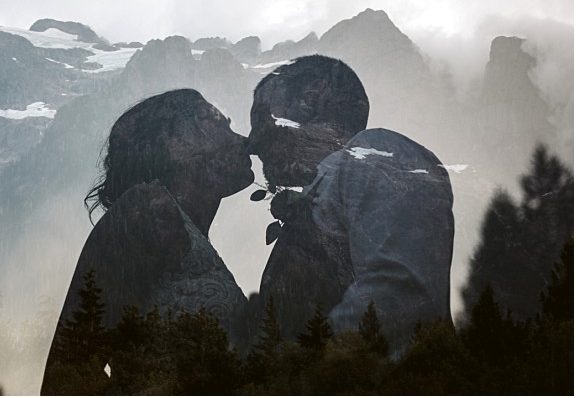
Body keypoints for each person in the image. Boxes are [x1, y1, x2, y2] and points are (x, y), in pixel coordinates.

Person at [42, 88, 254, 392]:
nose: (244, 141)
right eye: (219, 124)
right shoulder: (144, 211)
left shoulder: (178, 228)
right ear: (175, 143)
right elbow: (69, 369)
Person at [247, 55, 454, 356]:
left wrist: (307, 370)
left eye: (261, 118)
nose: (252, 142)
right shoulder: (336, 179)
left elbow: (398, 294)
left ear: (311, 97)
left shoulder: (379, 154)